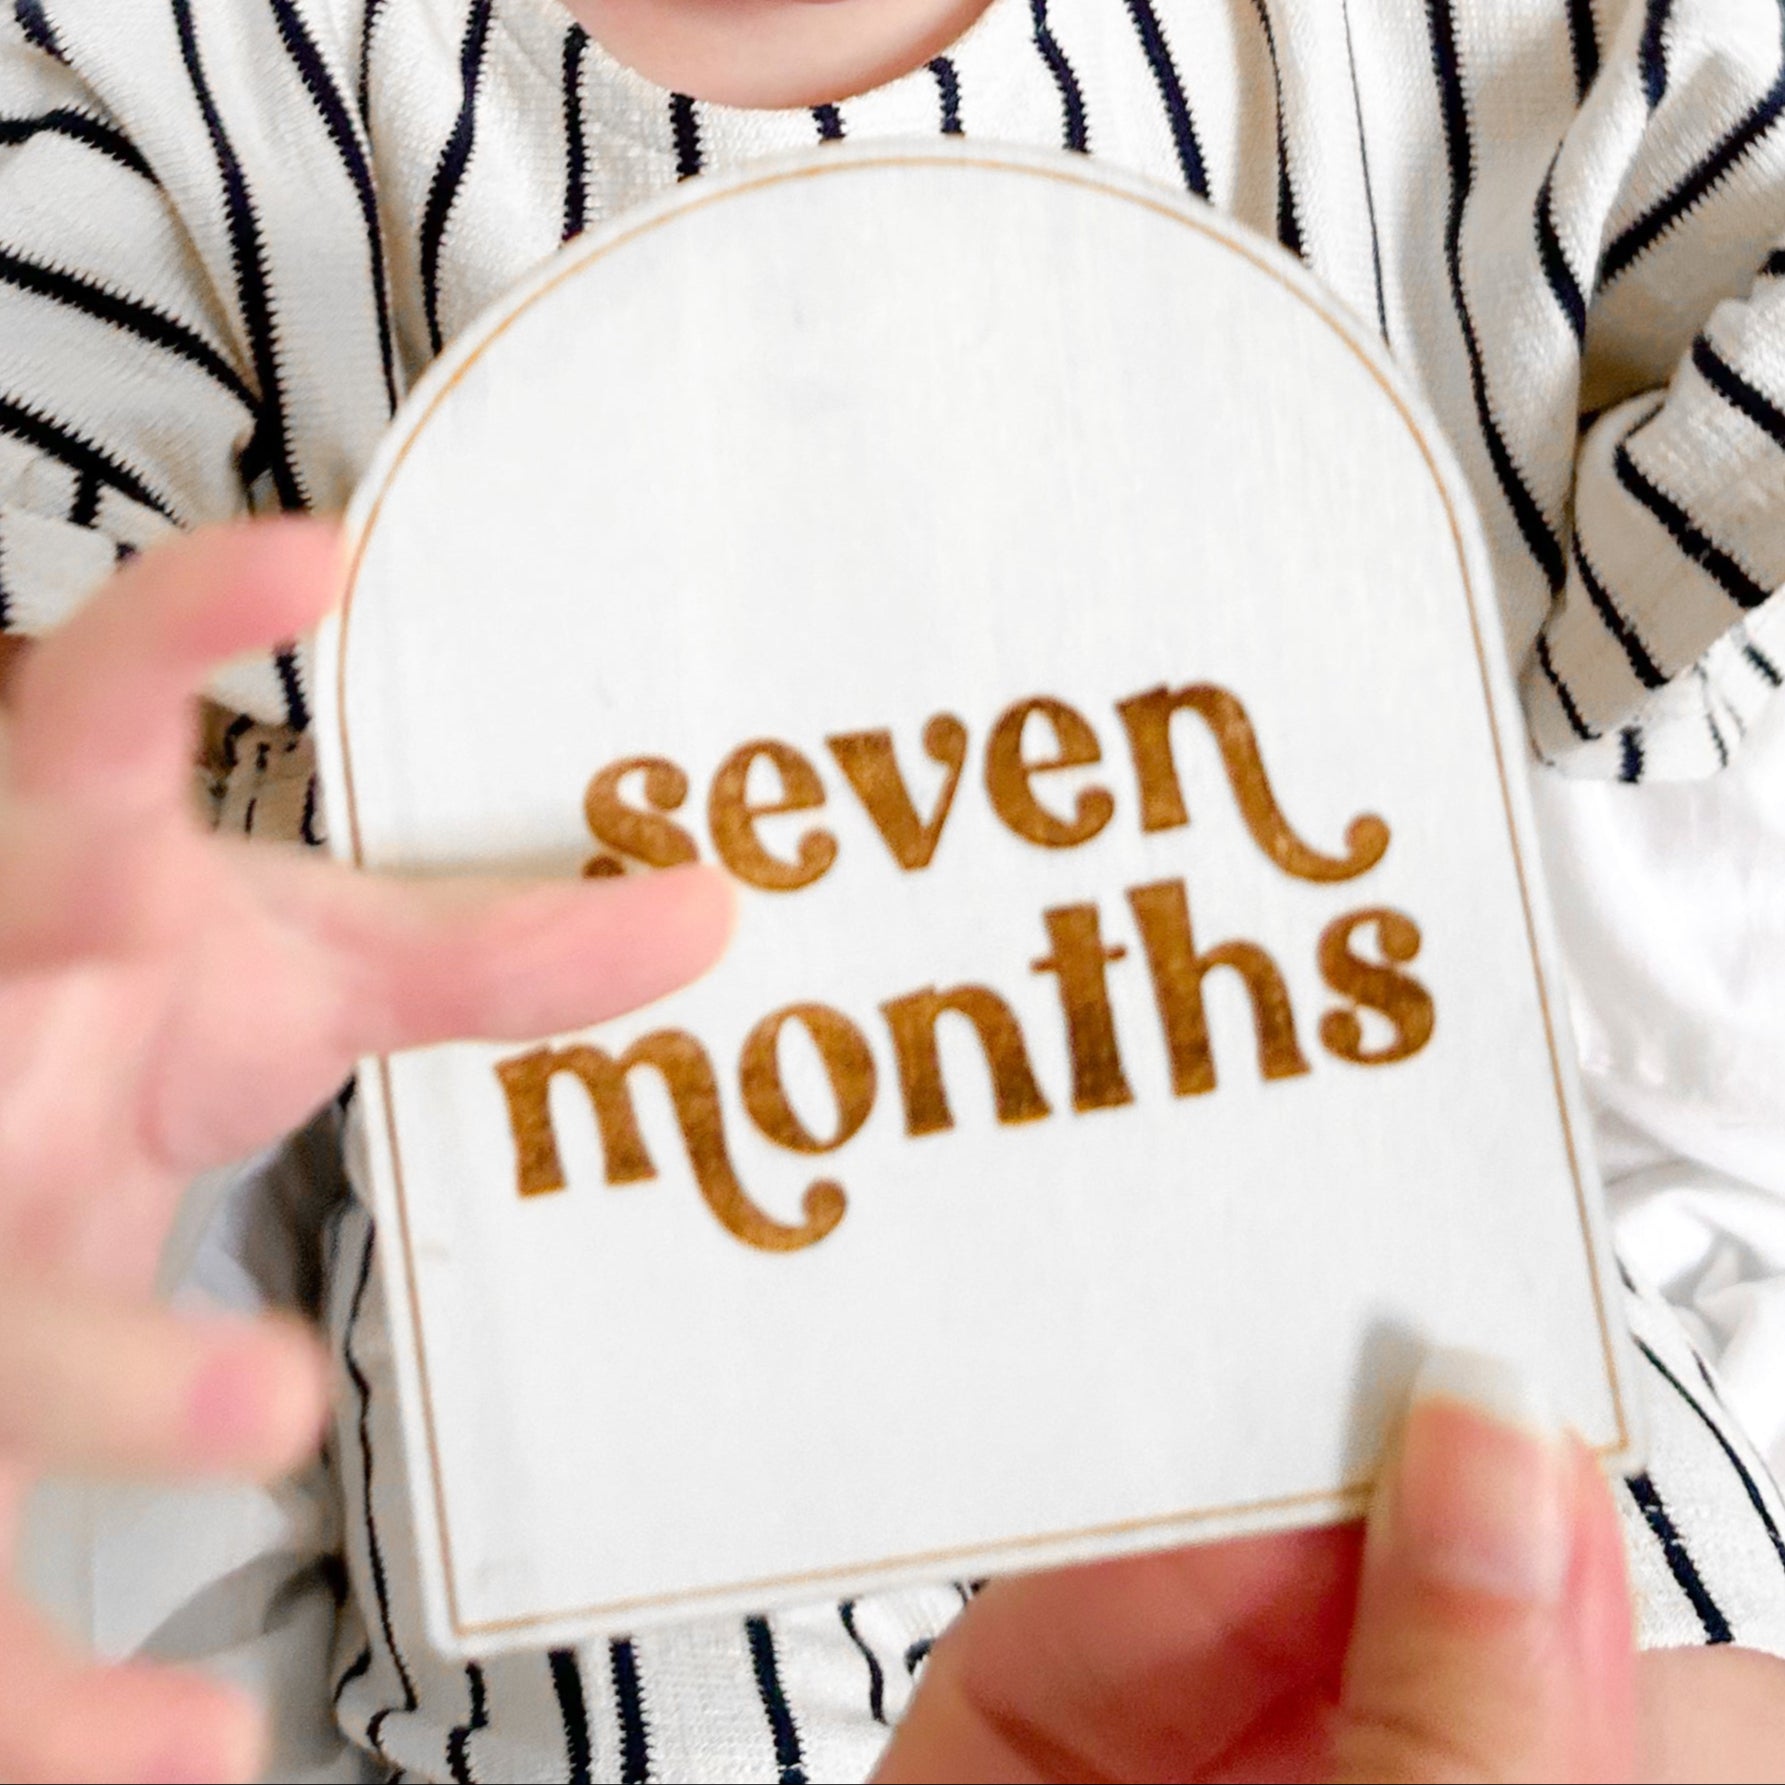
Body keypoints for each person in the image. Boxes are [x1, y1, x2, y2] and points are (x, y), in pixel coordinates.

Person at [4, 0, 1785, 1779]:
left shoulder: (1438, 58)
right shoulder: (172, 75)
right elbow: (58, 599)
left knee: (1644, 1673)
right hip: (636, 1257)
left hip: (1348, 1176)